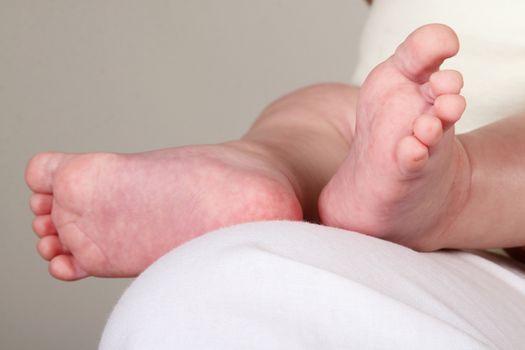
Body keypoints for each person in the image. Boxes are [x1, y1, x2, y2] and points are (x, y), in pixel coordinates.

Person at [26, 0, 525, 348]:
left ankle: (450, 189)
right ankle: (272, 166)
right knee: (352, 119)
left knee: (337, 119)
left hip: (445, 149)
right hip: (394, 122)